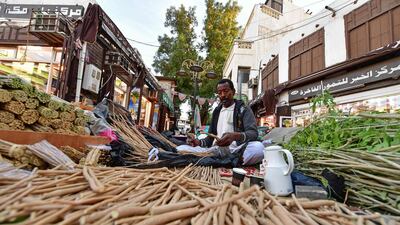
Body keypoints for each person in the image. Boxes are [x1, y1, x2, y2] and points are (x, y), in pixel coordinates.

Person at [176, 79, 264, 165]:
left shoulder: (243, 109)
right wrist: (197, 142)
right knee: (180, 149)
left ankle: (229, 160)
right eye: (219, 92)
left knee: (258, 148)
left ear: (233, 91)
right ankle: (227, 161)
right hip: (216, 150)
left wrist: (235, 136)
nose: (222, 95)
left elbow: (253, 133)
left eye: (226, 91)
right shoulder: (217, 111)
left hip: (236, 150)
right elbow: (210, 138)